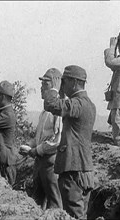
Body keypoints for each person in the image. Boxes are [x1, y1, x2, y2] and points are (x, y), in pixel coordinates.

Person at [43, 65, 96, 219]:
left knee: (73, 216)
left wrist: (54, 90)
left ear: (73, 82)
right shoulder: (88, 104)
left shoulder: (79, 103)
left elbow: (51, 105)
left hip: (73, 170)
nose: (62, 86)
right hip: (84, 169)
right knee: (79, 215)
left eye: (64, 82)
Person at [20, 68, 63, 210]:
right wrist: (29, 145)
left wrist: (36, 150)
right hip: (40, 163)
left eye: (45, 84)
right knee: (37, 201)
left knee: (54, 203)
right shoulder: (44, 112)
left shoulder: (59, 111)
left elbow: (56, 141)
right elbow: (39, 136)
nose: (41, 88)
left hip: (51, 163)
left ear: (54, 87)